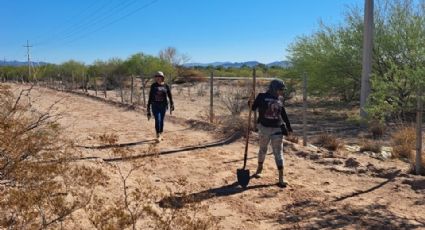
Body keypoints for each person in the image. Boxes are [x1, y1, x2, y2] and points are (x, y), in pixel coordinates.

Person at [250, 79, 293, 188]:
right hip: (264, 128)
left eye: (282, 90)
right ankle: (259, 169)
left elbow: (283, 113)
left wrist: (288, 126)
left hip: (277, 129)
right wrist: (250, 103)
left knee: (278, 152)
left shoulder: (280, 98)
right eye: (280, 89)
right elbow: (253, 108)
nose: (282, 91)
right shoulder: (261, 96)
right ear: (274, 88)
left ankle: (281, 178)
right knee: (263, 149)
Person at [147, 71, 174, 142]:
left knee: (161, 120)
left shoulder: (166, 86)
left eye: (159, 77)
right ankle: (158, 135)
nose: (158, 78)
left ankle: (161, 133)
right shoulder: (153, 86)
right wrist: (148, 108)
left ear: (162, 77)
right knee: (157, 119)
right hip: (155, 105)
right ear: (155, 78)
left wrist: (172, 104)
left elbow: (170, 95)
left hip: (163, 105)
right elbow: (150, 97)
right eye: (157, 77)